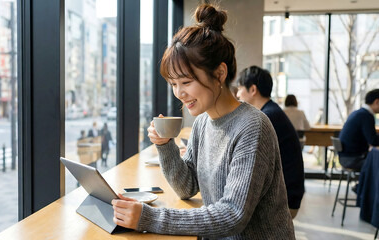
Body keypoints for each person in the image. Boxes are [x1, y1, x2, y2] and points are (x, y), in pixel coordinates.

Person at [111, 4, 295, 239]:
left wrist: (149, 217)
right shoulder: (203, 123)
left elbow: (232, 214)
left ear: (219, 73)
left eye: (186, 82)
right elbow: (187, 187)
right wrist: (165, 144)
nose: (179, 93)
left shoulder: (252, 126)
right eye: (173, 84)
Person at [236, 66, 305, 219]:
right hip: (288, 193)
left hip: (285, 199)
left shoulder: (267, 118)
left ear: (252, 89)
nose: (238, 94)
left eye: (240, 89)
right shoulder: (270, 112)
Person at [338, 89, 379, 170]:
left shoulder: (358, 113)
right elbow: (373, 141)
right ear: (377, 102)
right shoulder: (366, 116)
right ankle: (366, 183)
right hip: (353, 159)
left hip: (346, 157)